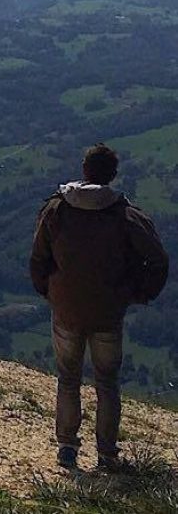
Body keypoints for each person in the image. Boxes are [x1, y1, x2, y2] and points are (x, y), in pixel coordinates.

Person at [29, 143, 169, 472]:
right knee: (107, 382)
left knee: (68, 378)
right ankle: (106, 453)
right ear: (112, 175)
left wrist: (49, 290)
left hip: (66, 308)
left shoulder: (57, 209)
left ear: (84, 170)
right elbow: (158, 260)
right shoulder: (124, 215)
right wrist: (138, 293)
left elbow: (38, 257)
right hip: (108, 312)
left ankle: (67, 447)